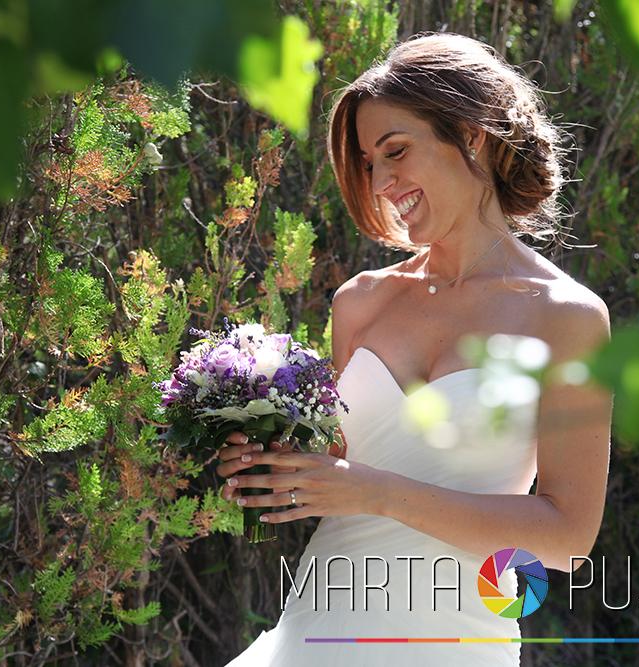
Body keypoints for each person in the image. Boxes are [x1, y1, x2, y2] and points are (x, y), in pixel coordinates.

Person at [217, 31, 613, 666]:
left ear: (472, 134)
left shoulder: (565, 317)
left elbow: (567, 539)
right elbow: (340, 470)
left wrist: (374, 492)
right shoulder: (360, 302)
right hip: (318, 633)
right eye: (369, 163)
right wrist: (268, 465)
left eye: (395, 151)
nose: (380, 182)